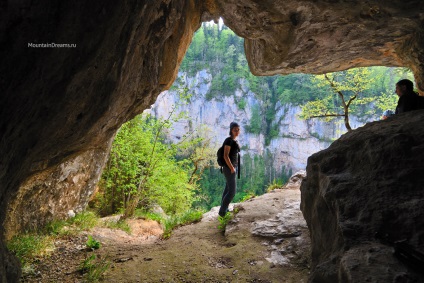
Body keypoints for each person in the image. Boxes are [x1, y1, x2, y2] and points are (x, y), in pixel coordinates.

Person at [218, 122, 241, 217]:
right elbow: (225, 155)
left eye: (238, 130)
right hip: (228, 168)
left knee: (227, 188)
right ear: (231, 130)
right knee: (232, 192)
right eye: (235, 130)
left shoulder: (233, 140)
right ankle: (222, 212)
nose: (237, 131)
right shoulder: (229, 141)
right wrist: (232, 168)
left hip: (229, 168)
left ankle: (224, 209)